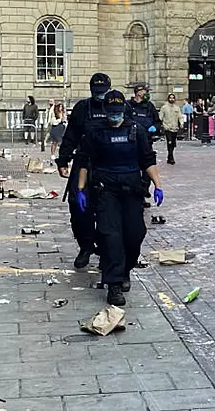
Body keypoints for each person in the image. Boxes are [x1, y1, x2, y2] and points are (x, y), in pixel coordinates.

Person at [75, 90, 163, 306]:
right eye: (111, 112)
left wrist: (158, 185)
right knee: (110, 235)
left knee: (135, 234)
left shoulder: (136, 130)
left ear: (124, 110)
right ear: (106, 111)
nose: (115, 116)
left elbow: (147, 159)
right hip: (106, 191)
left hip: (132, 190)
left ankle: (125, 270)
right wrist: (80, 189)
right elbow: (85, 162)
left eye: (118, 112)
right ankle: (113, 284)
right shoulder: (95, 131)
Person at [56, 73, 112, 269]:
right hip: (83, 163)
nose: (100, 96)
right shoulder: (82, 108)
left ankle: (107, 250)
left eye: (103, 92)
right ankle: (86, 246)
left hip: (108, 165)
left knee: (108, 210)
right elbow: (70, 136)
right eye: (96, 92)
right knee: (78, 207)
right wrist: (62, 160)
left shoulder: (116, 105)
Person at [126, 83, 161, 205]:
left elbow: (157, 122)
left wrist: (154, 128)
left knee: (147, 171)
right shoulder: (128, 106)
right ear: (138, 92)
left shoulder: (149, 106)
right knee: (133, 171)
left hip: (146, 142)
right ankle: (135, 196)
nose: (147, 94)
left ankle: (143, 193)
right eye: (145, 91)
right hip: (131, 143)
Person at [160, 93, 183, 164]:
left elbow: (180, 116)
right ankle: (171, 157)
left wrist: (181, 123)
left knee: (173, 143)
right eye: (170, 98)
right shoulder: (164, 108)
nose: (172, 99)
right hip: (167, 127)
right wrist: (162, 125)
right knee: (169, 142)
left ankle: (169, 156)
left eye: (173, 98)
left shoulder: (177, 108)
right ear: (168, 99)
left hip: (175, 127)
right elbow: (160, 117)